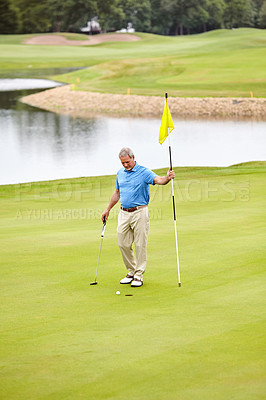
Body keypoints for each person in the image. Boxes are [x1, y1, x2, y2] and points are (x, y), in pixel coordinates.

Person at [102, 147, 175, 287]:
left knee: (140, 244)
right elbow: (117, 193)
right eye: (122, 163)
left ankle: (138, 275)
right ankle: (131, 270)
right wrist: (108, 209)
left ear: (133, 157)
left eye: (127, 162)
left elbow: (158, 180)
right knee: (122, 243)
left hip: (139, 212)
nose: (125, 165)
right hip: (123, 212)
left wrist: (167, 178)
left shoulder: (143, 172)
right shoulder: (120, 173)